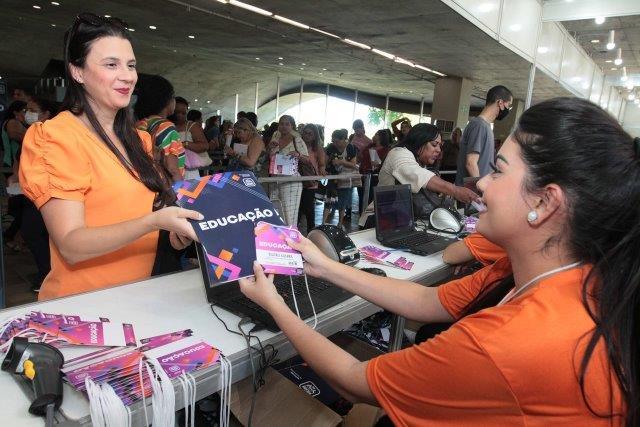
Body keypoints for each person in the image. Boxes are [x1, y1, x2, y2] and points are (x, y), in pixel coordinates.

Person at [240, 97, 637, 425]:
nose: (481, 183)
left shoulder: (507, 342)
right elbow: (427, 300)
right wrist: (326, 265)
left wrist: (274, 303)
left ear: (546, 202)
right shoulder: (551, 276)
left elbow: (354, 380)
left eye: (498, 172)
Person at [19, 13, 201, 300]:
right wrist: (154, 222)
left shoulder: (137, 140)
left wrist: (172, 235)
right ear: (77, 72)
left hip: (136, 298)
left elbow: (132, 217)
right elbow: (71, 244)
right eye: (111, 64)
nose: (127, 75)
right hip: (82, 307)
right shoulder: (57, 137)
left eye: (131, 65)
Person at [359, 123, 478, 228]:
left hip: (403, 221)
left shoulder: (420, 161)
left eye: (440, 146)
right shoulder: (398, 153)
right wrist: (455, 191)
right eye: (434, 144)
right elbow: (417, 174)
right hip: (378, 222)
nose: (438, 150)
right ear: (419, 141)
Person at [455, 85, 513, 186]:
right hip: (471, 193)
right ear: (500, 103)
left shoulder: (485, 126)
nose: (508, 109)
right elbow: (471, 163)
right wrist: (480, 190)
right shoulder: (479, 126)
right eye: (509, 105)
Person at [134, 75, 185, 182]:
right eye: (173, 96)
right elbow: (172, 169)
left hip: (147, 182)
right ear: (166, 100)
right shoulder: (166, 127)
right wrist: (182, 189)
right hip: (165, 186)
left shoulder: (140, 124)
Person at [267, 115, 309, 226]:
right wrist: (269, 148)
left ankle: (291, 235)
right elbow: (269, 158)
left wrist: (298, 154)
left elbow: (307, 159)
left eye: (287, 124)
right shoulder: (275, 138)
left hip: (291, 181)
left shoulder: (297, 140)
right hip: (275, 180)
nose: (284, 126)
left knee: (289, 215)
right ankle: (278, 235)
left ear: (292, 126)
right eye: (281, 124)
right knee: (275, 211)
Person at [323, 129, 358, 225]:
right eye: (333, 141)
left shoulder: (351, 148)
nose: (335, 143)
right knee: (328, 200)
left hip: (345, 179)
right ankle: (323, 223)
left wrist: (342, 162)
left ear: (343, 139)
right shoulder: (331, 147)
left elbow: (354, 165)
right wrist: (325, 168)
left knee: (342, 201)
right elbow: (325, 162)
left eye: (337, 141)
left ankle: (340, 223)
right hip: (332, 177)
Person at [172, 97, 213, 180]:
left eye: (183, 113)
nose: (180, 115)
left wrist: (185, 144)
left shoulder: (192, 126)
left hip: (189, 171)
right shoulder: (167, 125)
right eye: (177, 112)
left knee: (190, 188)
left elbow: (205, 146)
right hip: (171, 170)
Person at [298, 124, 326, 231]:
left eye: (310, 134)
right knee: (298, 208)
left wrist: (322, 169)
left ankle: (311, 231)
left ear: (315, 136)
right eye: (305, 133)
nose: (307, 136)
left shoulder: (318, 149)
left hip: (311, 182)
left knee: (309, 208)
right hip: (297, 180)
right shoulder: (298, 146)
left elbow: (322, 164)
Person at [350, 119, 374, 214]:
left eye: (358, 129)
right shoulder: (353, 138)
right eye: (355, 129)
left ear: (362, 128)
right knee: (353, 190)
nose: (356, 131)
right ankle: (352, 211)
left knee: (363, 191)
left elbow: (370, 157)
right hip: (354, 167)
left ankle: (363, 212)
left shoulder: (369, 141)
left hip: (363, 168)